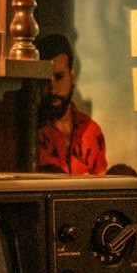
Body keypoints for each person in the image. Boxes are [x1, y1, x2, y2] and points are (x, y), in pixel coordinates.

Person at [37, 32, 108, 176]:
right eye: (46, 80)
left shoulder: (92, 132)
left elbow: (103, 193)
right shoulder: (30, 132)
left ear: (72, 76)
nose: (53, 89)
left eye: (59, 77)